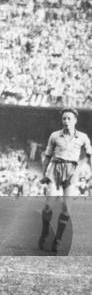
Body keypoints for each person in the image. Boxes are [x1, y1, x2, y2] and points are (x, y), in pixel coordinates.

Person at [39, 108, 92, 253]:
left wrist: (87, 167)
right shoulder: (55, 135)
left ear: (75, 120)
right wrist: (44, 174)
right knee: (48, 206)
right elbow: (48, 156)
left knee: (67, 209)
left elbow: (89, 155)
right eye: (64, 119)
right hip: (55, 170)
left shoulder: (82, 137)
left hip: (72, 172)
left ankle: (58, 239)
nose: (66, 121)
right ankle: (45, 232)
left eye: (69, 118)